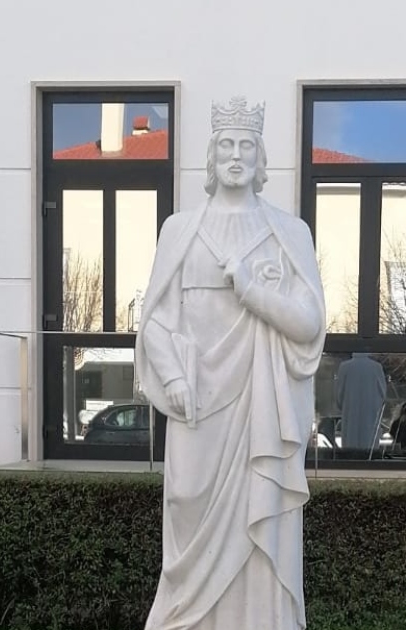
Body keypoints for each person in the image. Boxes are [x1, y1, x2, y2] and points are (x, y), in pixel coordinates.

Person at [134, 96, 326, 630]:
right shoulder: (180, 230)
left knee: (261, 524)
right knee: (186, 507)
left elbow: (309, 325)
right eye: (226, 145)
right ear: (211, 156)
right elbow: (154, 321)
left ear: (260, 156)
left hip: (261, 407)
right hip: (196, 405)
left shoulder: (289, 233)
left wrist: (253, 292)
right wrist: (173, 376)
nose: (236, 155)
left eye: (246, 145)